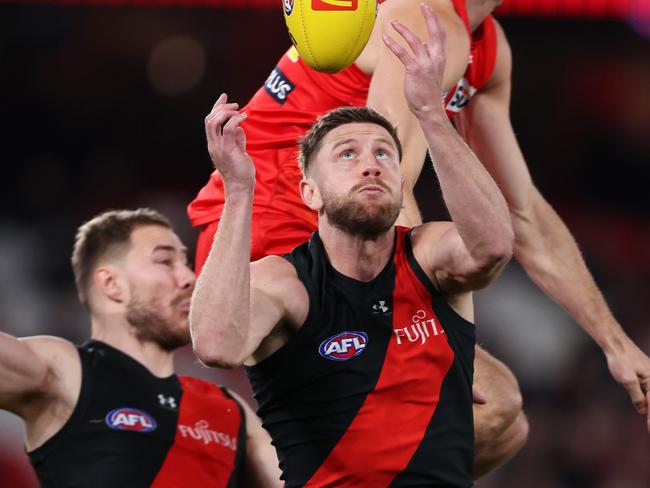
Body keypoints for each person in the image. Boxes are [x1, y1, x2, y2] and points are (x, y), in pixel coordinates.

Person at [188, 0, 650, 474]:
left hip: (338, 237)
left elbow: (521, 211)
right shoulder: (421, 18)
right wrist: (430, 337)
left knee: (501, 421)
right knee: (488, 403)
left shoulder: (487, 47)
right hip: (272, 237)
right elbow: (389, 185)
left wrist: (613, 343)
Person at [191, 7, 514, 486]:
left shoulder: (427, 256)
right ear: (311, 193)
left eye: (383, 152)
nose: (370, 164)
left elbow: (493, 245)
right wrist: (240, 192)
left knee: (508, 417)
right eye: (347, 154)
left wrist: (431, 116)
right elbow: (216, 345)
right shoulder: (286, 282)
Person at [0, 208, 281, 487]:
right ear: (112, 284)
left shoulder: (229, 409)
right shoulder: (65, 369)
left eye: (185, 263)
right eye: (164, 262)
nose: (189, 278)